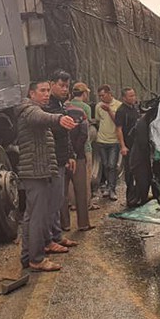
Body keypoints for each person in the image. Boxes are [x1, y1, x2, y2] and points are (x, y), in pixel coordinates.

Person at [16, 80, 77, 272]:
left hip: (36, 172)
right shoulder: (29, 110)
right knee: (38, 217)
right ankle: (36, 259)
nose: (46, 94)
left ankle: (28, 257)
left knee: (30, 217)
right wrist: (58, 119)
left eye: (48, 91)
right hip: (36, 172)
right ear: (31, 93)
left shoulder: (32, 110)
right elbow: (41, 117)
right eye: (42, 91)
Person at [45, 70, 79, 250]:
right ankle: (50, 239)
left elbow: (65, 136)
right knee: (52, 201)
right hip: (52, 161)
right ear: (51, 84)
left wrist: (70, 156)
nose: (65, 89)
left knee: (58, 200)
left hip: (61, 159)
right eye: (61, 85)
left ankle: (57, 236)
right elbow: (54, 132)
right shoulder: (47, 107)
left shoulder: (60, 105)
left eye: (67, 86)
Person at [64, 84, 94, 231]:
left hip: (61, 158)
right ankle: (83, 223)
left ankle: (65, 225)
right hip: (79, 155)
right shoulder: (81, 111)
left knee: (63, 193)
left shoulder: (55, 112)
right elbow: (84, 133)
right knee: (81, 189)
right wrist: (76, 152)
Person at [69, 82, 100, 211]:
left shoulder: (67, 105)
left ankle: (73, 203)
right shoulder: (85, 107)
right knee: (85, 177)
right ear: (84, 93)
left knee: (71, 177)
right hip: (84, 146)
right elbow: (85, 129)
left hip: (70, 146)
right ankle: (87, 203)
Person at [95, 84, 121, 200]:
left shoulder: (118, 105)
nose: (101, 98)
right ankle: (107, 187)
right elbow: (98, 121)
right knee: (105, 165)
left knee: (112, 165)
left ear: (109, 93)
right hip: (101, 140)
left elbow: (118, 122)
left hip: (114, 140)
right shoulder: (98, 106)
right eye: (99, 96)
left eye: (103, 95)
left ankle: (112, 189)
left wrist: (109, 110)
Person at [115, 88, 140, 207]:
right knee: (129, 173)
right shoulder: (121, 111)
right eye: (130, 96)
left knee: (139, 171)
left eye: (134, 95)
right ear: (124, 98)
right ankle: (130, 199)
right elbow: (118, 129)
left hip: (138, 145)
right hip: (128, 146)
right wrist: (123, 146)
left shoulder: (135, 109)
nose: (133, 98)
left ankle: (138, 196)